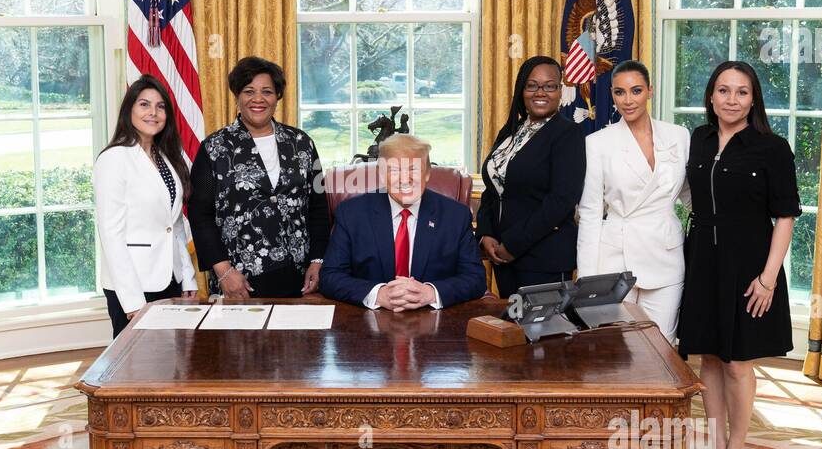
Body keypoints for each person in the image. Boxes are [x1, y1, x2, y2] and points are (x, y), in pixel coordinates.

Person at [679, 60, 799, 449]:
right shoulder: (698, 139)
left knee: (736, 363)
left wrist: (768, 278)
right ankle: (715, 445)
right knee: (708, 357)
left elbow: (784, 217)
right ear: (711, 96)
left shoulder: (772, 147)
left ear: (754, 99)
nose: (732, 99)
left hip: (749, 264)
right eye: (724, 90)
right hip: (702, 261)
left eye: (742, 92)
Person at [188, 56, 330, 298]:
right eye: (249, 91)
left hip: (299, 277)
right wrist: (223, 271)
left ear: (277, 97)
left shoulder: (302, 143)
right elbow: (200, 214)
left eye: (267, 91)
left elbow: (317, 207)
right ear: (237, 96)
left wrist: (317, 260)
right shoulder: (214, 147)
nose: (258, 99)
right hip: (238, 280)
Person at [576, 61, 691, 342]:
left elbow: (691, 196)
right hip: (615, 258)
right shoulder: (597, 143)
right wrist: (588, 279)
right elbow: (590, 213)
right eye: (620, 92)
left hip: (666, 254)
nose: (628, 100)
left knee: (662, 345)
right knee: (616, 350)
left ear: (650, 91)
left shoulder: (679, 136)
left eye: (636, 90)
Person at [319, 133, 487, 310]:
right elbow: (330, 277)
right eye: (395, 170)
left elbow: (475, 278)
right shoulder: (351, 213)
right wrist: (378, 294)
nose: (404, 179)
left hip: (435, 323)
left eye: (413, 170)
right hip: (368, 322)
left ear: (428, 173)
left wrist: (430, 293)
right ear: (382, 174)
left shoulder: (456, 216)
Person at [94, 74, 198, 337]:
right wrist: (133, 301)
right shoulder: (114, 158)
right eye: (144, 104)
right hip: (134, 284)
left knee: (170, 365)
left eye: (160, 106)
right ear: (129, 110)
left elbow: (173, 226)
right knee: (135, 369)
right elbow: (111, 233)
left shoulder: (166, 158)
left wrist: (186, 275)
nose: (153, 113)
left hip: (169, 279)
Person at [476, 55, 586, 298]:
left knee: (544, 335)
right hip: (503, 259)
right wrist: (486, 233)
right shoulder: (511, 131)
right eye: (532, 85)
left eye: (550, 86)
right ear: (521, 89)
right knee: (510, 333)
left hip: (544, 260)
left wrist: (512, 245)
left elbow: (561, 202)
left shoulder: (568, 134)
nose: (541, 92)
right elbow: (492, 188)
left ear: (560, 90)